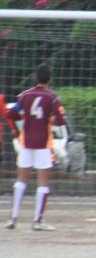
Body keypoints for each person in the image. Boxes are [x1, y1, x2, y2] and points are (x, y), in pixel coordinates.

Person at [5, 64, 66, 231]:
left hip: (26, 142)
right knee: (43, 183)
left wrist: (24, 116)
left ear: (34, 77)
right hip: (43, 144)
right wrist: (50, 119)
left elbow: (11, 113)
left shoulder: (24, 95)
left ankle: (13, 218)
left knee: (21, 180)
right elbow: (61, 119)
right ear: (50, 79)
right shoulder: (53, 98)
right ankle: (37, 221)